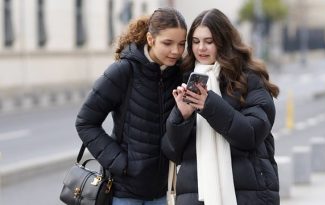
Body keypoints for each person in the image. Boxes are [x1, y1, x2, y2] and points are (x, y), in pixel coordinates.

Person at [161, 8, 280, 205]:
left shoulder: (248, 78)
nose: (201, 48)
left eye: (209, 41)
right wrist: (181, 116)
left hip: (247, 195)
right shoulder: (183, 79)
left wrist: (208, 105)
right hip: (195, 196)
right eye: (196, 42)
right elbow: (172, 152)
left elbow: (251, 134)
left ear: (224, 41)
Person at [75, 8, 187, 205]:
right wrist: (120, 163)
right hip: (124, 193)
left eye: (181, 44)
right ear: (151, 39)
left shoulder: (179, 74)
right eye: (168, 43)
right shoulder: (123, 71)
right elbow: (85, 122)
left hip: (163, 192)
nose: (176, 51)